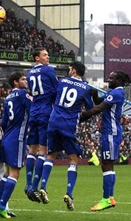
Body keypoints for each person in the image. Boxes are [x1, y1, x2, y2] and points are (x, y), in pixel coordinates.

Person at [37, 61, 94, 210]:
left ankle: (42, 186)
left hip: (53, 121)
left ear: (74, 71)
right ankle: (69, 193)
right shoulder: (86, 88)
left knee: (50, 155)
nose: (69, 71)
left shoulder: (61, 82)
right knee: (73, 158)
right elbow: (90, 109)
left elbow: (54, 96)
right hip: (68, 125)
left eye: (70, 69)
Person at [81, 70, 131, 211]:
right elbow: (100, 102)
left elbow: (98, 108)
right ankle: (110, 197)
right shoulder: (114, 93)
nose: (108, 80)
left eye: (111, 78)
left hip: (111, 132)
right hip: (109, 132)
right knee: (106, 164)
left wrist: (79, 118)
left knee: (107, 164)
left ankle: (106, 199)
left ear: (119, 81)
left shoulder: (117, 93)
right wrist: (95, 94)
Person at [0, 72, 32, 218]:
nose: (26, 81)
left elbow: (3, 122)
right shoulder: (22, 94)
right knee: (15, 173)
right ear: (15, 82)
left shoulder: (7, 97)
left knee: (8, 173)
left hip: (7, 138)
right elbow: (34, 109)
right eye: (23, 79)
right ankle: (2, 206)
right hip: (18, 138)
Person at [25, 47, 58, 202]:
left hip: (34, 111)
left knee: (32, 149)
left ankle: (28, 184)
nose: (48, 57)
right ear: (36, 58)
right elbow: (58, 90)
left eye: (47, 54)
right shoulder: (49, 70)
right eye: (45, 55)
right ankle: (35, 186)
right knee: (43, 151)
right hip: (45, 111)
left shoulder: (30, 73)